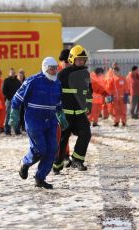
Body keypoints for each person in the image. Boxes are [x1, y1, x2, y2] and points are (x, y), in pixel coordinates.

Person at [11, 57, 65, 189]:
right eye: (51, 69)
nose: (54, 71)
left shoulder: (57, 83)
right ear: (45, 68)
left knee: (52, 149)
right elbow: (18, 97)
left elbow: (58, 101)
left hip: (51, 121)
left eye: (55, 69)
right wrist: (14, 113)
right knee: (40, 149)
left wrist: (60, 114)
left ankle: (40, 178)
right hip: (34, 120)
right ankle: (25, 163)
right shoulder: (33, 81)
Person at [53, 44, 92, 173]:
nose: (81, 62)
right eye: (79, 59)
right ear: (72, 59)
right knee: (63, 140)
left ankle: (77, 160)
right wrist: (57, 111)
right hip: (66, 114)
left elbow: (88, 91)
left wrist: (89, 105)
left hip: (80, 114)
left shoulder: (86, 74)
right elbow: (55, 93)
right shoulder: (63, 74)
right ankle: (57, 165)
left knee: (86, 133)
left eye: (83, 59)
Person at [2, 68, 21, 135]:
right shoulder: (6, 80)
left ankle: (17, 130)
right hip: (9, 100)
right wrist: (10, 98)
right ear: (9, 73)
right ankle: (7, 131)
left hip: (16, 101)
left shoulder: (17, 81)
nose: (12, 74)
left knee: (16, 115)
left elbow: (20, 91)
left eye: (13, 72)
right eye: (11, 73)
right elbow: (4, 91)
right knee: (8, 116)